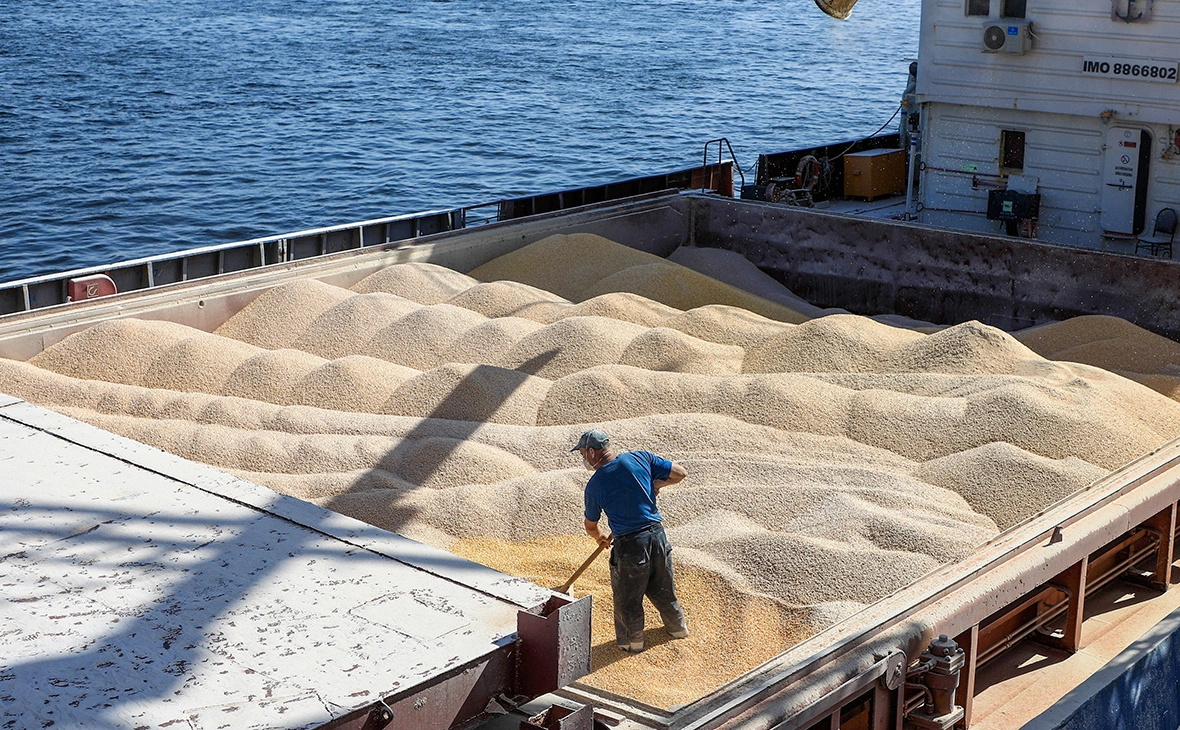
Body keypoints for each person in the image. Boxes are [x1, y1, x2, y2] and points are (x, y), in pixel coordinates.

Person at [573, 428, 689, 653]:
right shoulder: (641, 457)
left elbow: (590, 525)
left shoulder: (595, 485)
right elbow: (680, 473)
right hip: (658, 537)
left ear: (592, 452)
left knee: (628, 598)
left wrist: (600, 538)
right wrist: (654, 485)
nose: (582, 458)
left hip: (630, 546)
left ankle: (632, 644)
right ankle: (678, 629)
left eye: (582, 453)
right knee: (663, 588)